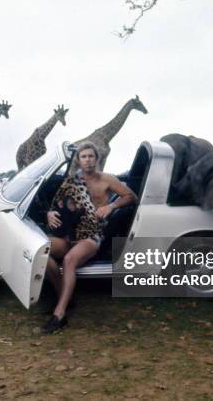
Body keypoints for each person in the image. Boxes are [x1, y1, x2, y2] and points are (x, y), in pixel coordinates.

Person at [43, 141, 137, 334]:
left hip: (92, 236)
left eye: (91, 156)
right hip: (69, 235)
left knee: (69, 260)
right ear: (78, 160)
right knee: (39, 251)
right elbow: (56, 204)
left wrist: (111, 206)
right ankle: (66, 297)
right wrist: (49, 214)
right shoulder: (71, 181)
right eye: (84, 157)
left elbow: (130, 197)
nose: (88, 160)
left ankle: (59, 313)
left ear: (97, 158)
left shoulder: (107, 179)